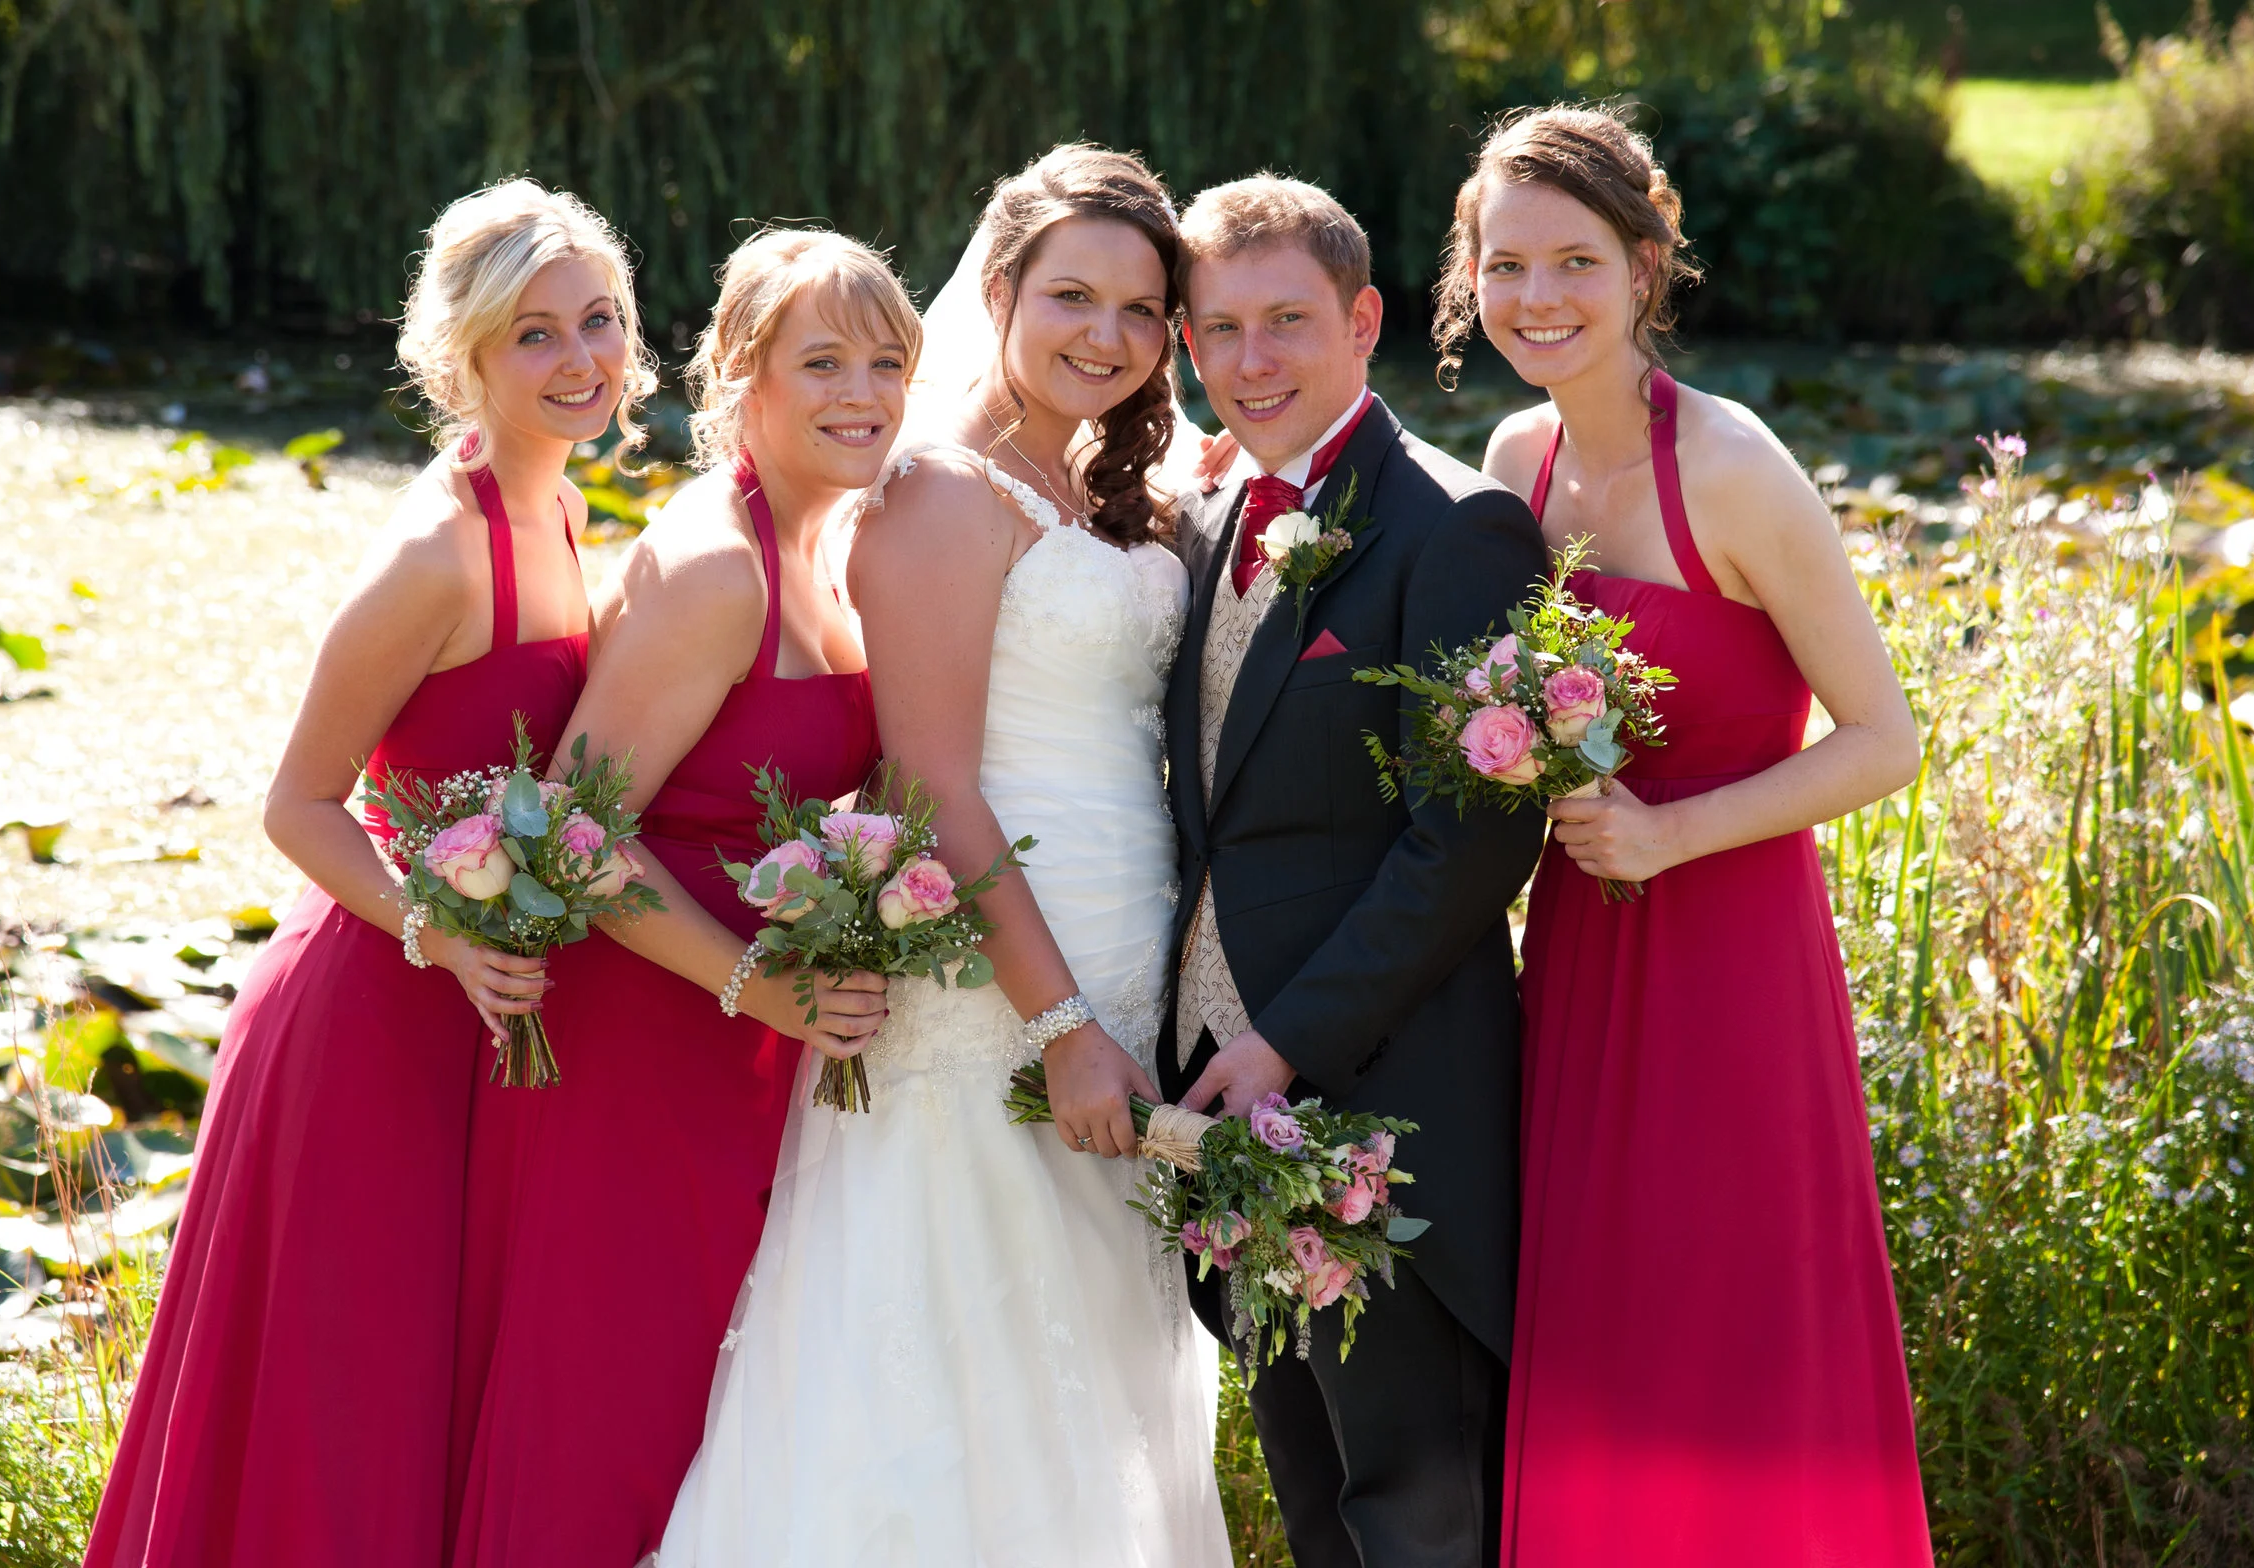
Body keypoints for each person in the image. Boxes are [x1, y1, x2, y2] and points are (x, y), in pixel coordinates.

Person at [650, 144, 1232, 1568]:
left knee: (1093, 1359)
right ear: (1002, 292)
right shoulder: (940, 495)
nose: (1107, 335)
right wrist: (1059, 1027)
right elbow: (932, 786)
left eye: (1141, 310)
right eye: (1073, 297)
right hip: (1000, 989)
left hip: (1127, 953)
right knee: (957, 1352)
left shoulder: (1096, 480)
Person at [84, 179, 645, 1568]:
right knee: (339, 1406)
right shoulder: (436, 554)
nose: (581, 359)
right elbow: (297, 803)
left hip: (475, 1020)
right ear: (466, 355)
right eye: (535, 334)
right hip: (369, 1019)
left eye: (600, 320)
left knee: (425, 1401)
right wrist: (439, 937)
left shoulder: (562, 507)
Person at [1456, 106, 1933, 1565]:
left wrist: (1675, 836)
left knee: (1731, 1318)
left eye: (1575, 263)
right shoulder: (1516, 457)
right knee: (1603, 1327)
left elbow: (1885, 740)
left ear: (1646, 268)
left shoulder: (1731, 467)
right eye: (1505, 264)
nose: (1537, 297)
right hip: (1581, 954)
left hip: (1731, 961)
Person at [445, 229, 908, 1566]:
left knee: (707, 1423)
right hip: (643, 1042)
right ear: (739, 375)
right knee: (610, 1412)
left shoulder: (834, 541)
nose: (863, 393)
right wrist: (758, 984)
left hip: (740, 1039)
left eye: (887, 362)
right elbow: (571, 828)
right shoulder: (717, 566)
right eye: (823, 362)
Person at [1161, 175, 1551, 1568]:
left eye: (1287, 321)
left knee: (1418, 1514)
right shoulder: (1207, 516)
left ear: (1365, 320)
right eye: (1219, 329)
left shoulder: (1459, 526)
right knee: (1317, 1502)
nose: (1251, 360)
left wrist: (1286, 1044)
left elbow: (1475, 841)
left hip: (1387, 1099)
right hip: (1221, 1090)